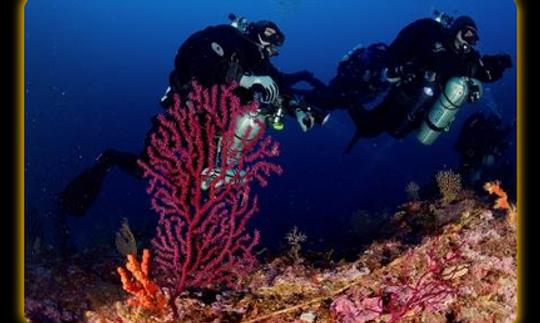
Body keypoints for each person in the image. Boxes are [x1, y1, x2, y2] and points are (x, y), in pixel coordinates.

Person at [57, 16, 323, 219]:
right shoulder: (227, 37)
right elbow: (192, 55)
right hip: (182, 115)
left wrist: (297, 109)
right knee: (144, 169)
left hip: (214, 130)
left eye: (276, 42)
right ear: (253, 30)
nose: (271, 45)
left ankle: (196, 244)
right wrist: (241, 78)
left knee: (199, 192)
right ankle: (108, 160)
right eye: (268, 36)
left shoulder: (263, 67)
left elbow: (278, 90)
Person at [342, 14, 513, 153]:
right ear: (455, 30)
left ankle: (349, 100)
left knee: (395, 132)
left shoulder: (467, 60)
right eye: (466, 34)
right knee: (369, 127)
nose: (468, 41)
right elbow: (405, 49)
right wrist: (396, 68)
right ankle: (347, 96)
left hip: (425, 111)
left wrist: (499, 64)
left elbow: (484, 71)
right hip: (404, 97)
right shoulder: (434, 39)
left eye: (473, 39)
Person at [454, 112, 515, 190]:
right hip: (473, 154)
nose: (496, 127)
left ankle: (466, 186)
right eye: (496, 125)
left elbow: (500, 135)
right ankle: (464, 186)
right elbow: (500, 135)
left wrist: (511, 126)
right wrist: (511, 126)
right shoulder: (487, 129)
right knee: (468, 170)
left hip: (473, 155)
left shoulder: (485, 128)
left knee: (468, 171)